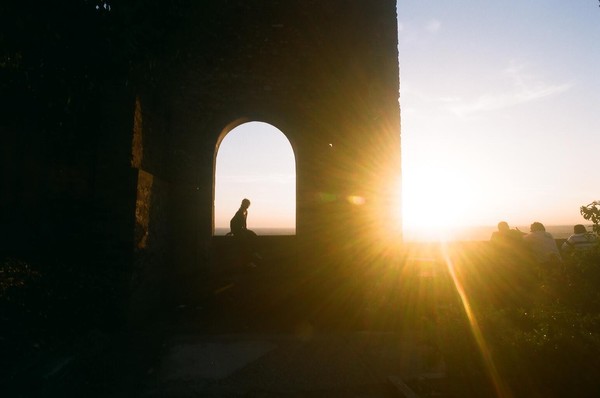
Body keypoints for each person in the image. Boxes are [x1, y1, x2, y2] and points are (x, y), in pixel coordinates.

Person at [230, 198, 260, 266]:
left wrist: (245, 229)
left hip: (242, 230)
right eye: (247, 204)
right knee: (245, 243)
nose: (248, 206)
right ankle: (249, 261)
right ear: (243, 204)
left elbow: (244, 222)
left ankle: (254, 252)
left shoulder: (245, 211)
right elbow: (232, 221)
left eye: (248, 204)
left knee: (253, 235)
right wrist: (233, 231)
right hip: (238, 230)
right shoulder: (240, 212)